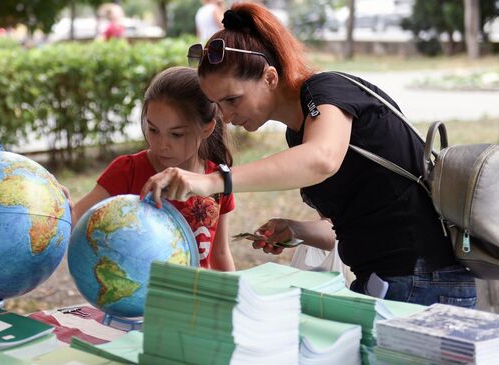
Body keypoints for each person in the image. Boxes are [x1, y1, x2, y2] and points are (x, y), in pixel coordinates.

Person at [140, 3, 476, 307]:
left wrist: (214, 181)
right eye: (218, 105)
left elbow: (321, 159)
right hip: (392, 282)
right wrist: (297, 229)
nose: (226, 116)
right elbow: (350, 225)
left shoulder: (327, 90)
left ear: (269, 77)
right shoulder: (298, 131)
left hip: (423, 282)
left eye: (232, 100)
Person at [73, 66, 236, 272]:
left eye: (176, 134)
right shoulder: (127, 171)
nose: (161, 144)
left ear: (207, 128)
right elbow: (75, 218)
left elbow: (220, 253)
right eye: (153, 130)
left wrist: (237, 300)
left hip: (191, 299)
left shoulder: (218, 181)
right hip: (131, 297)